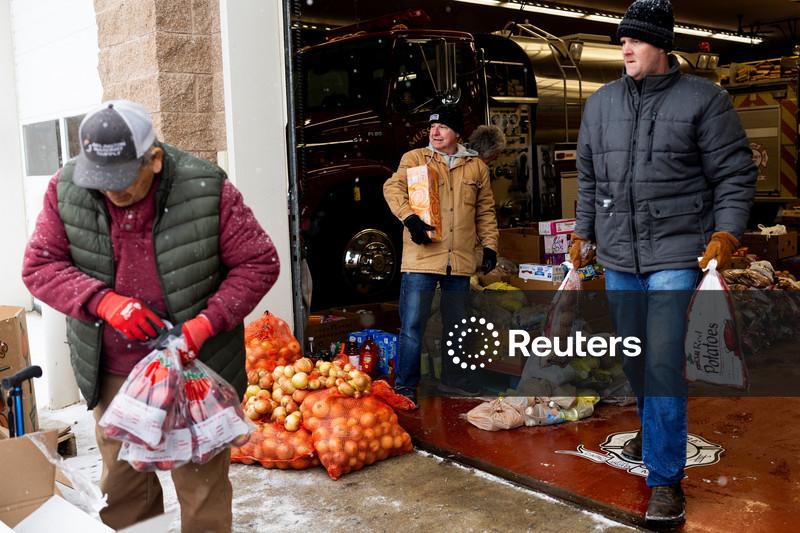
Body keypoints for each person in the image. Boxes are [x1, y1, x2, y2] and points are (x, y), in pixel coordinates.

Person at [22, 100, 280, 532]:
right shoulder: (66, 189)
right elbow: (40, 265)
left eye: (122, 181)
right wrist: (103, 302)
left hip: (196, 371)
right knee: (124, 491)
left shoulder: (205, 188)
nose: (111, 192)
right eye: (99, 181)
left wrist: (206, 323)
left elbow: (259, 262)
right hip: (115, 372)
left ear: (154, 159)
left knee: (202, 491)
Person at [570, 0, 756, 527]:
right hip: (619, 256)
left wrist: (726, 232)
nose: (625, 48)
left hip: (677, 252)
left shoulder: (705, 101)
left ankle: (666, 481)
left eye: (636, 40)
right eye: (622, 40)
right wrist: (584, 231)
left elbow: (734, 175)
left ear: (661, 46)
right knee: (633, 356)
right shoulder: (601, 104)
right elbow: (590, 179)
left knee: (661, 361)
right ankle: (652, 431)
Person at [383, 105, 499, 404]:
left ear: (457, 133)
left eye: (443, 127)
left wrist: (489, 247)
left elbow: (485, 212)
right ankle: (405, 386)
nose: (434, 132)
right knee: (412, 326)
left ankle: (453, 381)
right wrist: (409, 218)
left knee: (456, 326)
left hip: (458, 260)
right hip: (421, 258)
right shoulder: (415, 159)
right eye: (432, 127)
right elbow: (392, 189)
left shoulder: (476, 168)